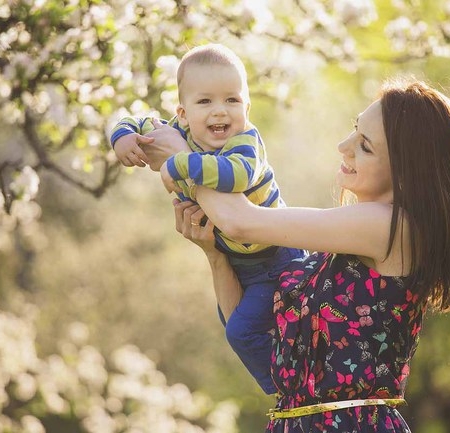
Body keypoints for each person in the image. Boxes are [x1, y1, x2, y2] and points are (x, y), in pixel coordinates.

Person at [145, 77, 450, 432]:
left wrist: (181, 156)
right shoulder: (335, 256)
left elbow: (242, 221)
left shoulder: (390, 227)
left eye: (365, 146)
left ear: (404, 172)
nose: (343, 145)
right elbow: (254, 334)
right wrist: (214, 255)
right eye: (354, 129)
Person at [109, 43, 306, 395]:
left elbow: (237, 176)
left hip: (278, 258)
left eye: (232, 100)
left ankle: (291, 391)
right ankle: (292, 369)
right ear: (182, 114)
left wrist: (179, 162)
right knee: (231, 320)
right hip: (238, 259)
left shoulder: (246, 143)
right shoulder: (176, 132)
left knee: (242, 331)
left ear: (247, 107)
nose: (220, 111)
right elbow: (133, 119)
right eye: (205, 102)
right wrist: (123, 137)